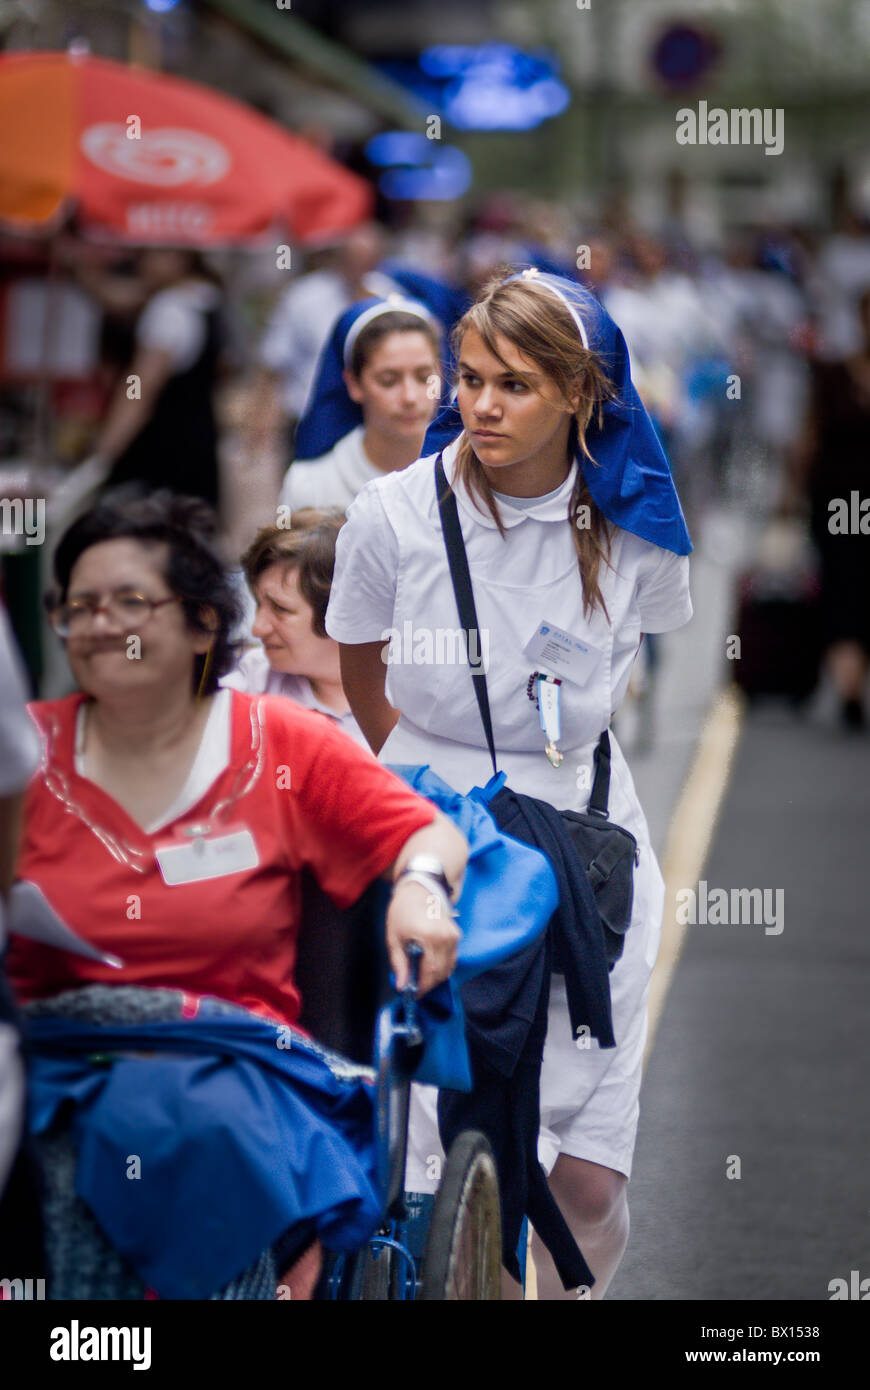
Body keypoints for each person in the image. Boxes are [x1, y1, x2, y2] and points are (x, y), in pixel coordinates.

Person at [325, 268, 694, 1299]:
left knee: (579, 1180)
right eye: (471, 378)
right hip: (430, 834)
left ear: (580, 395)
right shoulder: (391, 513)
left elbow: (636, 652)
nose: (480, 404)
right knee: (434, 1153)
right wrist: (431, 780)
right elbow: (360, 654)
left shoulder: (634, 523)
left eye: (516, 385)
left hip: (585, 842)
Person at [4, 491, 468, 1298]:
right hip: (53, 1050)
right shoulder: (28, 753)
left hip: (230, 1072)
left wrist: (421, 890)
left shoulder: (279, 741)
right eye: (79, 606)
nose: (101, 624)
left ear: (203, 624)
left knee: (159, 1123)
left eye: (130, 603)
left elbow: (426, 833)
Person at [783, 285, 870, 729]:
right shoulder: (834, 374)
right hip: (838, 501)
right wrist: (791, 492)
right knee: (842, 584)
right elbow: (809, 436)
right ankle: (848, 685)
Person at [84, 247, 227, 508]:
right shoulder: (207, 299)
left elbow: (141, 387)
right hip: (199, 450)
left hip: (159, 457)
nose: (142, 262)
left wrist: (104, 452)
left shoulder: (168, 309)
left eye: (151, 253)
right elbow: (119, 297)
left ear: (180, 257)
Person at [278, 297, 442, 512]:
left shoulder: (466, 473)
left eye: (423, 377)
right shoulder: (309, 486)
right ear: (354, 383)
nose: (410, 397)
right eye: (388, 380)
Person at [222, 511, 367, 746]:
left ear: (341, 613)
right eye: (259, 604)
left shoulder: (406, 694)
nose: (257, 629)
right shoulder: (251, 682)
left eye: (280, 609)